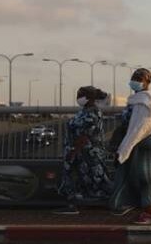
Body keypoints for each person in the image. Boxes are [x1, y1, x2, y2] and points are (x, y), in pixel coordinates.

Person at [109, 68, 151, 225]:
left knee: (143, 176)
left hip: (147, 139)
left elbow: (141, 127)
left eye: (139, 79)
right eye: (133, 78)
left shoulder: (143, 100)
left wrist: (124, 149)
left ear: (147, 81)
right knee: (145, 176)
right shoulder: (147, 97)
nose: (134, 81)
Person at [53, 86, 113, 215]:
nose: (78, 98)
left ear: (90, 98)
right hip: (79, 151)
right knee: (76, 177)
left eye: (81, 95)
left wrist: (73, 151)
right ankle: (73, 204)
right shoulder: (84, 111)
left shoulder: (93, 113)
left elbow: (85, 135)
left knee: (96, 177)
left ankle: (114, 203)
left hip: (87, 152)